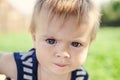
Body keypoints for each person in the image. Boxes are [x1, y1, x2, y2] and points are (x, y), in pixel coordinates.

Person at [0, 0, 101, 80]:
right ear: (35, 39)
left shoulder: (81, 77)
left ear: (89, 44)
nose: (63, 53)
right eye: (51, 41)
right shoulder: (21, 65)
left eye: (75, 44)